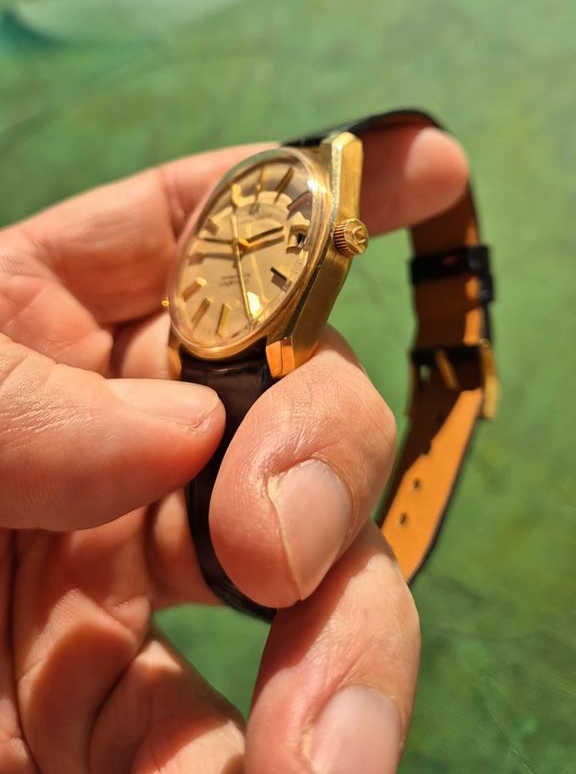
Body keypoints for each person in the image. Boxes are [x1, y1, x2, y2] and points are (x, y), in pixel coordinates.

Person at [0, 122, 468, 774]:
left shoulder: (320, 207)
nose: (242, 242)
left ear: (342, 244)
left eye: (255, 241)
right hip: (207, 348)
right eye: (237, 239)